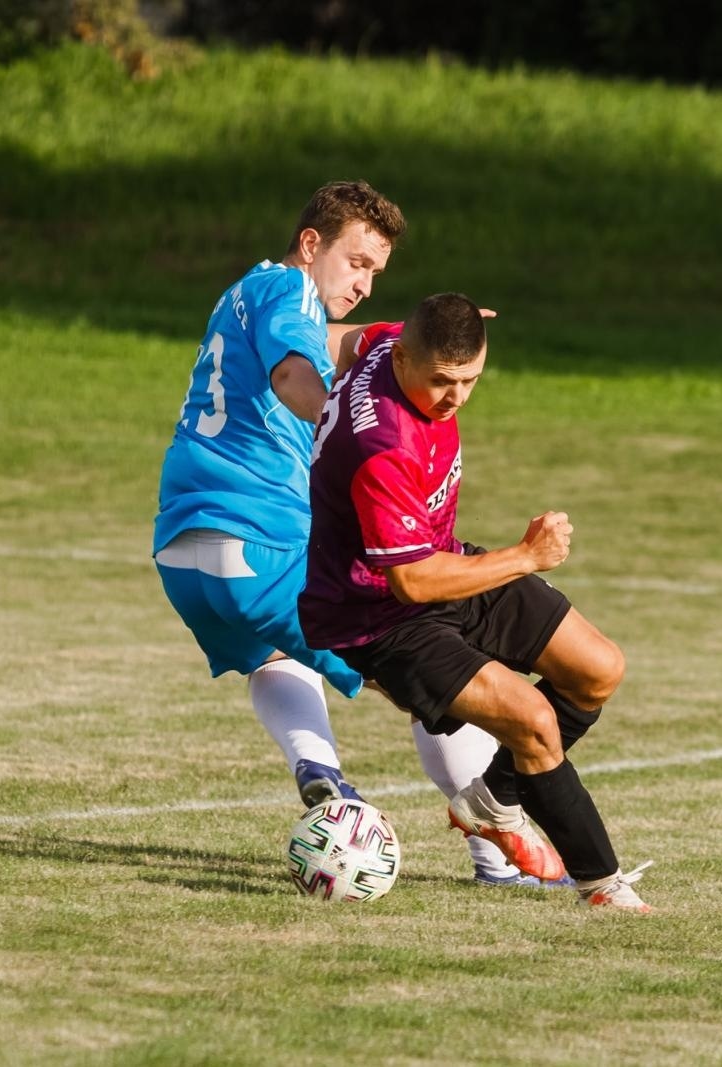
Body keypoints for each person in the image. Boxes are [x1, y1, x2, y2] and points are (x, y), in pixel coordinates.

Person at [152, 182, 546, 886]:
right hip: (264, 538)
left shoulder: (248, 291)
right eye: (357, 262)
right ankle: (499, 855)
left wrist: (413, 332)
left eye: (375, 272)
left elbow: (332, 341)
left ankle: (320, 771)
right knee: (429, 663)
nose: (364, 283)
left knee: (276, 654)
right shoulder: (291, 294)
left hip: (187, 553)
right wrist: (348, 425)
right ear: (311, 244)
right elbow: (294, 370)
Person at [299, 293, 656, 910]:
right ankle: (603, 887)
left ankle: (491, 800)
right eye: (442, 380)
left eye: (470, 379)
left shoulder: (391, 343)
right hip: (378, 618)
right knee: (534, 722)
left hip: (446, 562)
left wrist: (456, 311)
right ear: (405, 360)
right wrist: (526, 556)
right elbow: (412, 583)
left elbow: (343, 336)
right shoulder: (383, 447)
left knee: (598, 668)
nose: (456, 397)